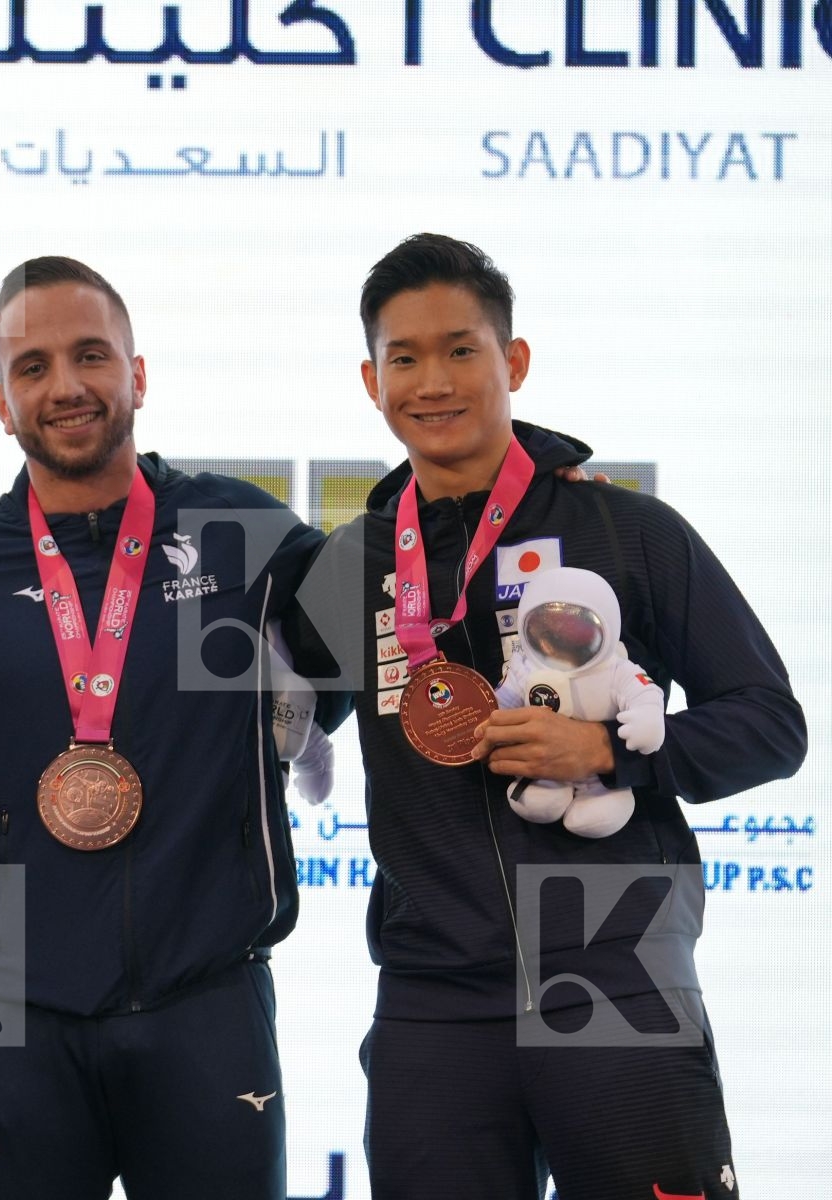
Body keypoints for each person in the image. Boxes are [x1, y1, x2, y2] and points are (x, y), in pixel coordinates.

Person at [293, 232, 806, 1200]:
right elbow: (289, 714)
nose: (432, 381)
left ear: (512, 360)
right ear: (371, 380)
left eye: (460, 350)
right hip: (433, 998)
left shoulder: (625, 530)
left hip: (615, 973)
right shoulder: (348, 564)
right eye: (404, 358)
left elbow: (771, 724)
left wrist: (612, 752)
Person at [0, 256, 342, 1200]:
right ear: (1, 402)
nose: (67, 386)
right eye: (32, 367)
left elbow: (392, 600)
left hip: (207, 1002)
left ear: (138, 374)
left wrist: (541, 484)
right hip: (13, 1021)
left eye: (91, 355)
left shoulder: (237, 529)